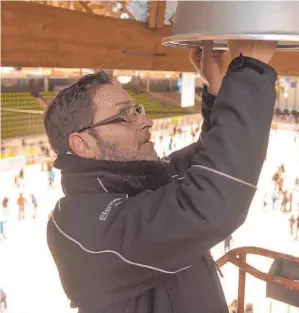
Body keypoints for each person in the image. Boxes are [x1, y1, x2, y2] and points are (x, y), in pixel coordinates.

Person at [44, 40, 277, 313]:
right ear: (82, 144)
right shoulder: (77, 227)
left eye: (137, 109)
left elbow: (210, 160)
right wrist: (250, 71)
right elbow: (209, 203)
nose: (146, 120)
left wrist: (218, 90)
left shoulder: (136, 180)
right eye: (124, 115)